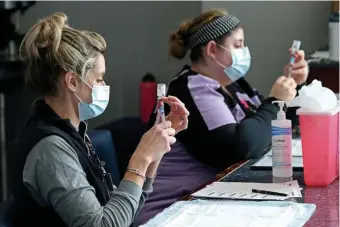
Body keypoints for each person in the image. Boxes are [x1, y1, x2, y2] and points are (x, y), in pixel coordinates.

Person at [133, 8, 309, 226]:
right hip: (171, 210)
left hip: (211, 201)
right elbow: (239, 146)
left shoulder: (232, 85)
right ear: (212, 50)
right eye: (238, 45)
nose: (245, 51)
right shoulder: (189, 88)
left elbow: (265, 127)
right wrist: (274, 101)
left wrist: (294, 88)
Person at [12, 12, 189, 227]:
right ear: (72, 81)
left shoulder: (73, 132)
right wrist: (140, 158)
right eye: (99, 78)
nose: (104, 86)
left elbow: (123, 214)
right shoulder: (50, 148)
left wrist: (155, 150)